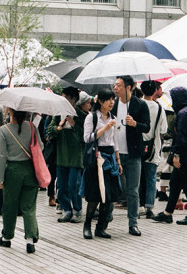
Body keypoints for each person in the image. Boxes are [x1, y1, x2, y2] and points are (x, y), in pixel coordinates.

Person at [0, 108, 42, 253]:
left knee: (10, 205)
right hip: (30, 170)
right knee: (29, 207)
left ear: (11, 112)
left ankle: (7, 238)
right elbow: (41, 146)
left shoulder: (4, 130)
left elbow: (1, 155)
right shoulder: (32, 127)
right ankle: (30, 241)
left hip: (12, 171)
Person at [152, 87, 187, 225]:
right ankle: (168, 213)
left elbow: (181, 137)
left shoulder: (182, 114)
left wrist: (176, 154)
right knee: (175, 184)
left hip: (184, 156)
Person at [112, 75, 151, 236]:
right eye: (114, 85)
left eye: (119, 85)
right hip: (115, 153)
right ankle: (106, 217)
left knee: (133, 190)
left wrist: (135, 124)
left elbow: (147, 127)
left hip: (133, 153)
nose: (115, 88)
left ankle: (133, 223)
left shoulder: (140, 105)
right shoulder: (112, 104)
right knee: (112, 189)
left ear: (129, 87)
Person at [82, 88, 122, 239]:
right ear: (100, 101)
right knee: (95, 196)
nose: (112, 102)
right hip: (96, 159)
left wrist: (118, 161)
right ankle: (87, 226)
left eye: (113, 99)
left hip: (110, 158)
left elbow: (115, 142)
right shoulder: (91, 118)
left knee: (109, 196)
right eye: (108, 99)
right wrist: (105, 128)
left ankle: (100, 227)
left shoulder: (113, 118)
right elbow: (87, 138)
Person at [48, 87, 85, 224]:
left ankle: (77, 210)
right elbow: (49, 130)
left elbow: (85, 137)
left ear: (73, 99)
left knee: (73, 185)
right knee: (62, 186)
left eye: (66, 98)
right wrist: (58, 128)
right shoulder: (58, 115)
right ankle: (66, 210)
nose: (63, 101)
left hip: (76, 157)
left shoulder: (82, 116)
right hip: (61, 156)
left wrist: (74, 125)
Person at [140, 81, 167, 219]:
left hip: (137, 148)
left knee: (138, 179)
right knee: (151, 179)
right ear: (154, 91)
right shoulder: (159, 108)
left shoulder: (137, 105)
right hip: (153, 148)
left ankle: (138, 206)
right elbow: (163, 129)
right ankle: (149, 207)